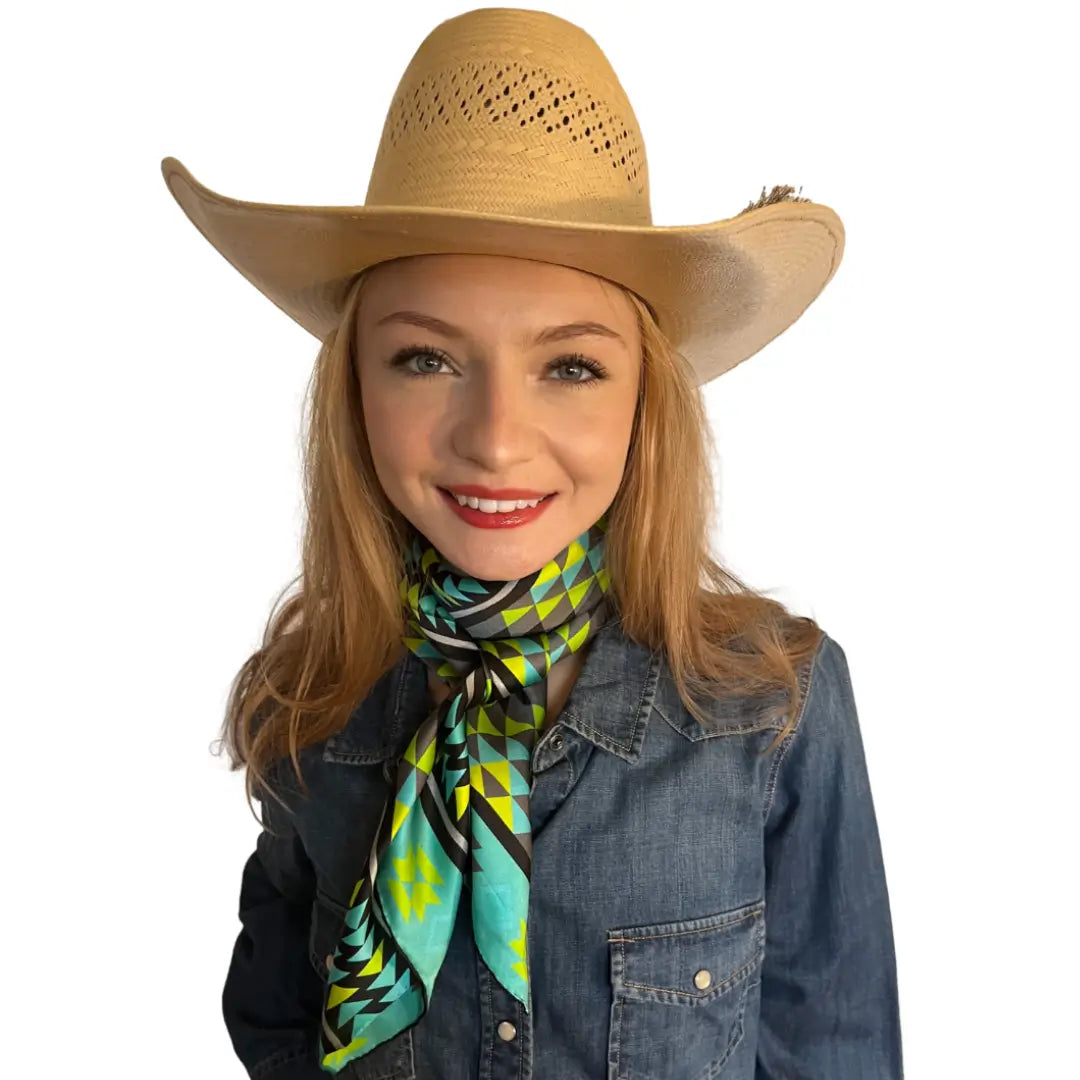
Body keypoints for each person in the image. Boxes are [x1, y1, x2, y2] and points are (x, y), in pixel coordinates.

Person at [161, 8, 902, 1079]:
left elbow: (840, 1054)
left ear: (647, 399)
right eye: (424, 360)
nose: (496, 439)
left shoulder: (774, 710)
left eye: (569, 367)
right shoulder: (311, 704)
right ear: (353, 391)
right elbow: (277, 1023)